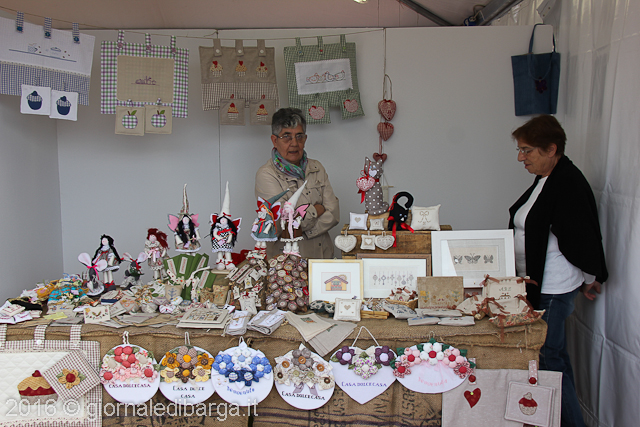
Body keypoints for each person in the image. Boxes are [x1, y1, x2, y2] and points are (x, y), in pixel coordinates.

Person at [508, 115, 608, 427]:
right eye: (520, 150)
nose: (521, 158)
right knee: (552, 356)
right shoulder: (546, 179)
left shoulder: (568, 182)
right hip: (539, 283)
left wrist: (590, 277)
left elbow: (580, 235)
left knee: (549, 358)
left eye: (527, 151)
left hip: (553, 287)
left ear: (551, 149)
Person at [255, 108, 340, 259]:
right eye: (286, 137)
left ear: (305, 139)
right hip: (287, 263)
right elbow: (282, 224)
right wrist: (316, 210)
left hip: (322, 258)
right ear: (274, 140)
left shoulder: (316, 167)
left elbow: (333, 213)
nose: (294, 143)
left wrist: (302, 229)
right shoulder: (266, 174)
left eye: (299, 136)